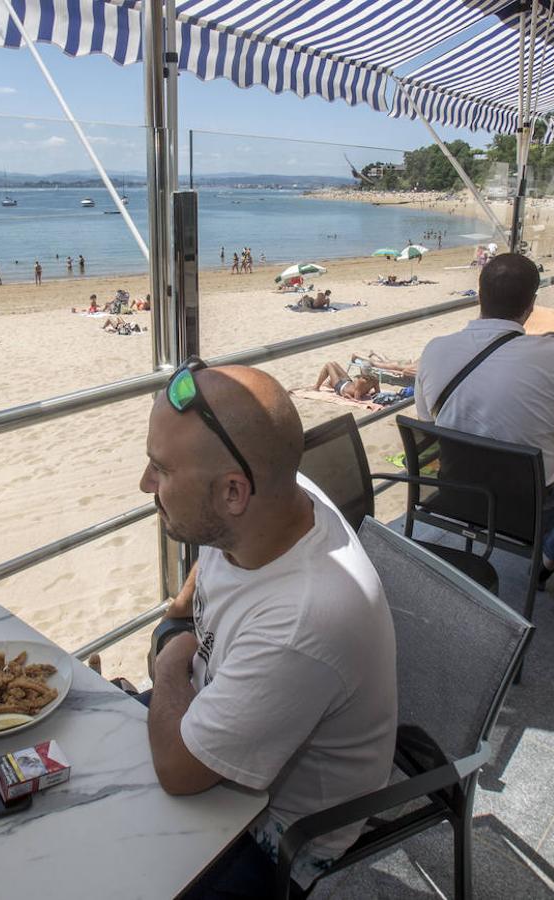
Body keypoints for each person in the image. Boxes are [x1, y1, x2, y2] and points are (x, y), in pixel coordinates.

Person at [139, 361, 396, 894]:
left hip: (277, 833)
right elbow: (210, 552)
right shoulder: (272, 496)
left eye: (160, 470)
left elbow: (177, 771)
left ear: (233, 493)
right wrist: (180, 613)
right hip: (224, 719)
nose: (145, 485)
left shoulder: (302, 623)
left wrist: (169, 659)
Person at [415, 254, 554, 589]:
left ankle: (551, 549)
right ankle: (550, 556)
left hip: (456, 494)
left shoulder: (434, 349)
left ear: (479, 295)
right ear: (531, 305)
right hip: (530, 509)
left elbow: (429, 425)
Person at [313, 361, 379, 400]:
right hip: (348, 382)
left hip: (340, 387)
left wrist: (348, 396)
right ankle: (329, 384)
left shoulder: (361, 381)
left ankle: (316, 387)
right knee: (334, 363)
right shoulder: (375, 379)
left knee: (328, 365)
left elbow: (357, 399)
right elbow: (377, 392)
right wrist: (367, 393)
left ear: (361, 370)